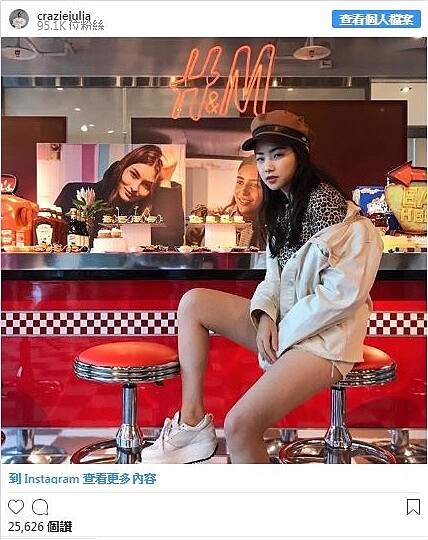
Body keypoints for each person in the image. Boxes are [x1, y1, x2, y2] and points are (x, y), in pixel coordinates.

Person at [141, 110, 383, 464]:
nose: (267, 166)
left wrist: (283, 333)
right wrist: (265, 315)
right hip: (287, 326)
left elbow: (338, 299)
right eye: (261, 158)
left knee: (239, 425)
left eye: (278, 155)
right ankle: (192, 423)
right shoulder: (282, 209)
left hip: (327, 339)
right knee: (193, 303)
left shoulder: (328, 207)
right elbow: (273, 278)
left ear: (301, 154)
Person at [54, 144, 185, 247]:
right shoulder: (75, 193)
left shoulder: (152, 212)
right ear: (123, 167)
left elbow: (171, 247)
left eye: (146, 185)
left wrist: (165, 180)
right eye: (133, 174)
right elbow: (53, 244)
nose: (135, 187)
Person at [185, 156, 265, 249]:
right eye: (240, 182)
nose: (243, 192)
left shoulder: (274, 229)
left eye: (254, 185)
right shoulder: (212, 220)